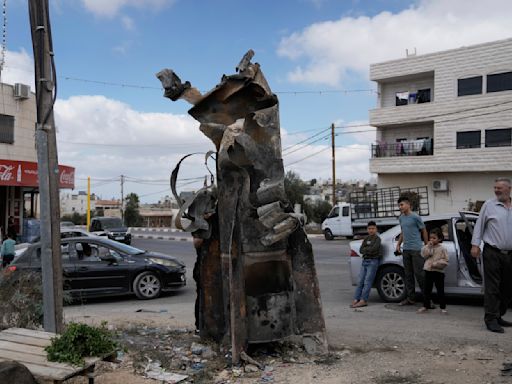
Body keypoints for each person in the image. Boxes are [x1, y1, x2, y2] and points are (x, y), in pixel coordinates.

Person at [471, 177, 512, 333]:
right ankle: (491, 319)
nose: (496, 190)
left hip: (510, 254)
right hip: (492, 252)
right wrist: (475, 245)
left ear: (509, 188)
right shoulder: (489, 205)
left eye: (499, 188)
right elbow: (479, 226)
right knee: (492, 287)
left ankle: (499, 315)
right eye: (495, 188)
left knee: (507, 287)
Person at [395, 195, 428, 306]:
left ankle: (427, 300)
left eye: (402, 205)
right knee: (408, 275)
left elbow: (423, 231)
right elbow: (403, 232)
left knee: (420, 274)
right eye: (399, 205)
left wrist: (427, 245)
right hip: (406, 249)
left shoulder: (415, 217)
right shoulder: (401, 218)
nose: (400, 207)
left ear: (408, 205)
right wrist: (398, 244)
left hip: (416, 249)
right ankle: (411, 298)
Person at [417, 228, 449, 314]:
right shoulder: (427, 247)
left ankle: (443, 307)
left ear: (439, 239)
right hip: (428, 271)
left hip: (438, 272)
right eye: (430, 238)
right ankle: (425, 306)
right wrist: (429, 247)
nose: (431, 240)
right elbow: (424, 255)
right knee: (427, 290)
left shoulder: (442, 249)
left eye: (434, 238)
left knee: (440, 290)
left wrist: (436, 263)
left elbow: (446, 260)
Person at [351, 221, 382, 308]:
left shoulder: (377, 239)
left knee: (367, 281)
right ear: (367, 229)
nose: (371, 230)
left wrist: (367, 250)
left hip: (373, 261)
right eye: (369, 229)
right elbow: (361, 250)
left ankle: (363, 300)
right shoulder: (366, 238)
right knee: (360, 281)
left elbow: (374, 249)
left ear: (376, 229)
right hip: (365, 261)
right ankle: (356, 299)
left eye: (373, 228)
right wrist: (368, 250)